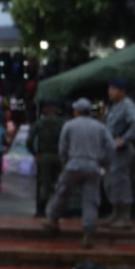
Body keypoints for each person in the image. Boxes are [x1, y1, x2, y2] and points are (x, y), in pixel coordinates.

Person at [43, 98, 115, 248]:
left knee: (62, 193)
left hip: (73, 164)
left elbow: (62, 148)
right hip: (93, 166)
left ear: (76, 111)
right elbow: (111, 147)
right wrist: (103, 163)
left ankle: (53, 220)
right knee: (91, 201)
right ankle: (88, 234)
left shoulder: (69, 125)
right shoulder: (100, 127)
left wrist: (65, 163)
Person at [104, 78, 135, 230]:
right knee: (110, 182)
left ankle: (125, 216)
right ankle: (115, 213)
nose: (110, 92)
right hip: (111, 150)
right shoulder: (114, 107)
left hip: (122, 150)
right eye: (110, 88)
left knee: (120, 181)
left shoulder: (127, 105)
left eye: (113, 89)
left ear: (122, 91)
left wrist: (125, 139)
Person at [27, 100, 65, 217]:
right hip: (59, 156)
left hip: (44, 156)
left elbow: (29, 140)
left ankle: (40, 210)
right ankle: (59, 210)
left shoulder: (40, 123)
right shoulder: (63, 123)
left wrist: (35, 153)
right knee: (61, 184)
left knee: (44, 184)